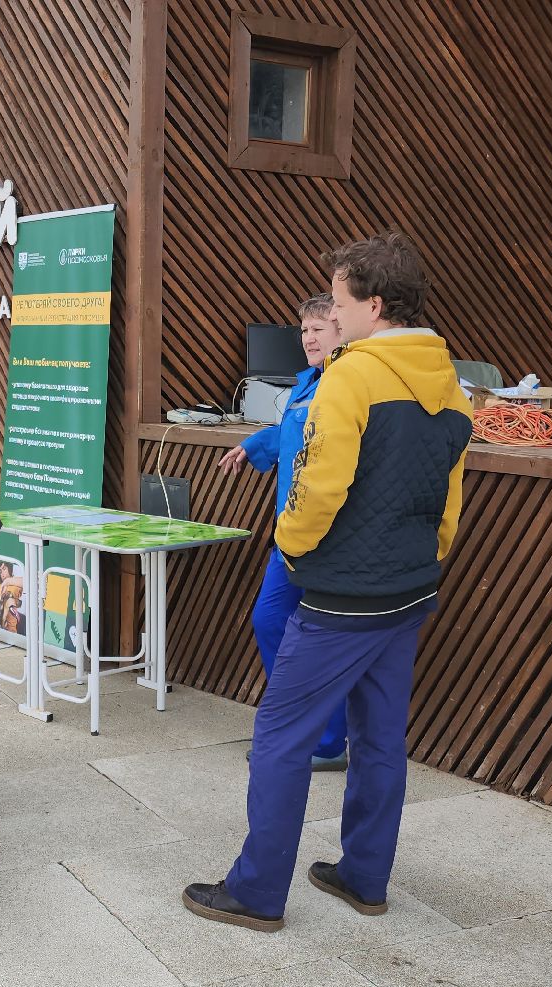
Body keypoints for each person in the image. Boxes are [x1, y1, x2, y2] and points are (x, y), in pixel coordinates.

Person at [184, 233, 473, 931]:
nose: (331, 319)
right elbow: (450, 495)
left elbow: (318, 487)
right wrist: (426, 555)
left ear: (374, 305)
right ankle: (364, 876)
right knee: (380, 740)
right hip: (409, 589)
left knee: (280, 736)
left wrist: (291, 548)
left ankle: (255, 892)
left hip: (340, 594)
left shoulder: (350, 376)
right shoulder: (449, 379)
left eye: (339, 303)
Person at [220, 295, 349, 770]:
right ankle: (305, 729)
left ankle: (323, 740)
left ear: (343, 330)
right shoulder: (308, 384)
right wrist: (254, 443)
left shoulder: (346, 385)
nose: (308, 338)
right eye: (304, 330)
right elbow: (292, 433)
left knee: (311, 636)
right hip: (290, 533)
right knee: (272, 622)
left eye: (319, 329)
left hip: (325, 537)